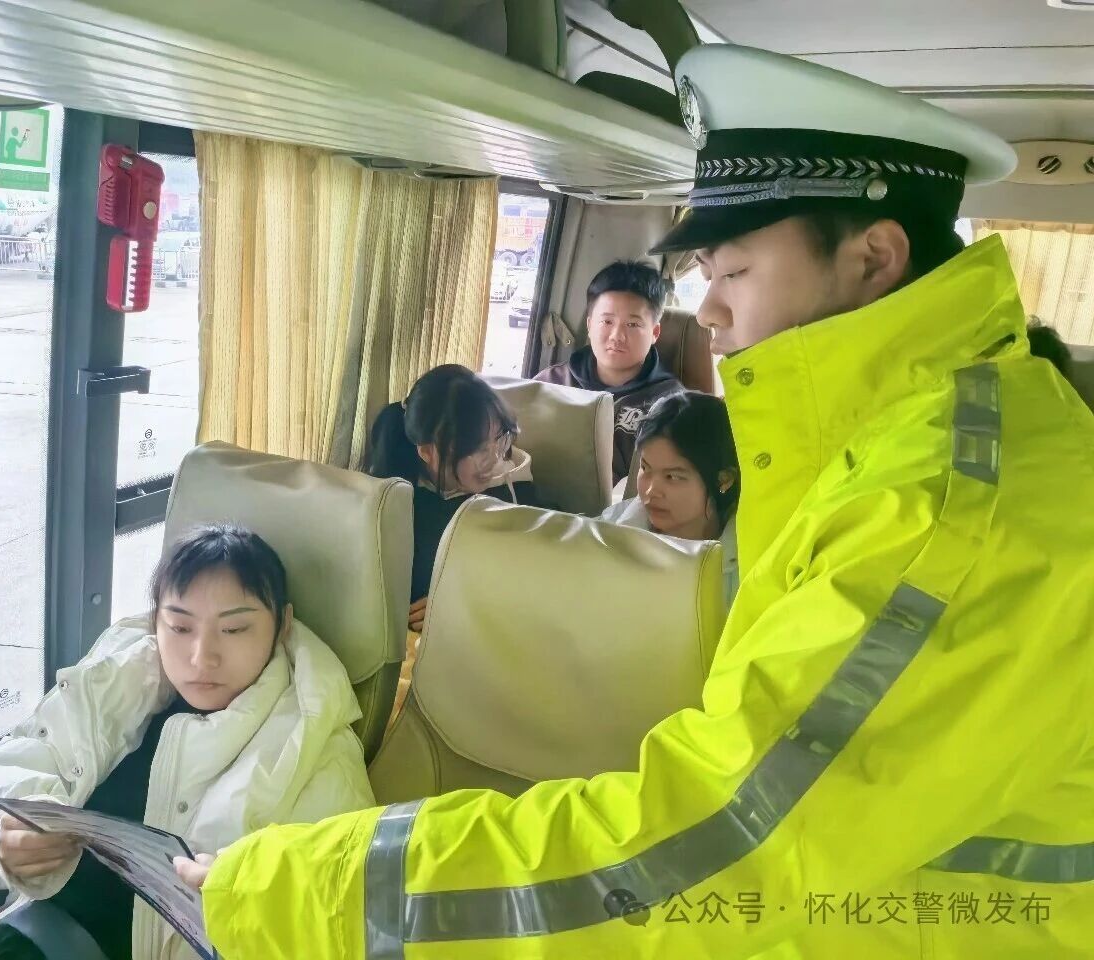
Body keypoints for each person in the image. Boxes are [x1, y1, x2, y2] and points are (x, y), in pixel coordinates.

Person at [176, 45, 1094, 960]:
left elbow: (718, 841)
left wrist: (305, 892)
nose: (711, 312)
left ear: (874, 256)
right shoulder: (926, 440)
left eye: (732, 273)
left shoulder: (941, 510)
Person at [0, 524, 374, 960]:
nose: (202, 657)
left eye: (234, 630)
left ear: (283, 624)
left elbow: (343, 915)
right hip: (20, 935)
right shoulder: (114, 686)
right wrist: (1, 835)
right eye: (180, 628)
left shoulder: (315, 747)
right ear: (156, 620)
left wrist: (245, 901)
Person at [366, 363, 537, 635]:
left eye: (498, 439)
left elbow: (533, 580)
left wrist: (464, 605)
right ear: (427, 452)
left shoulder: (516, 492)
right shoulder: (392, 500)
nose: (494, 458)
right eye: (477, 450)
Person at [534, 260, 681, 484]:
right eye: (607, 321)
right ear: (590, 326)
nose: (616, 336)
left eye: (633, 325)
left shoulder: (671, 405)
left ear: (654, 333)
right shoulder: (550, 382)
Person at [601, 390, 740, 611]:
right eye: (645, 468)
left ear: (724, 480)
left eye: (672, 477)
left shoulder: (751, 562)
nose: (651, 491)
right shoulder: (603, 534)